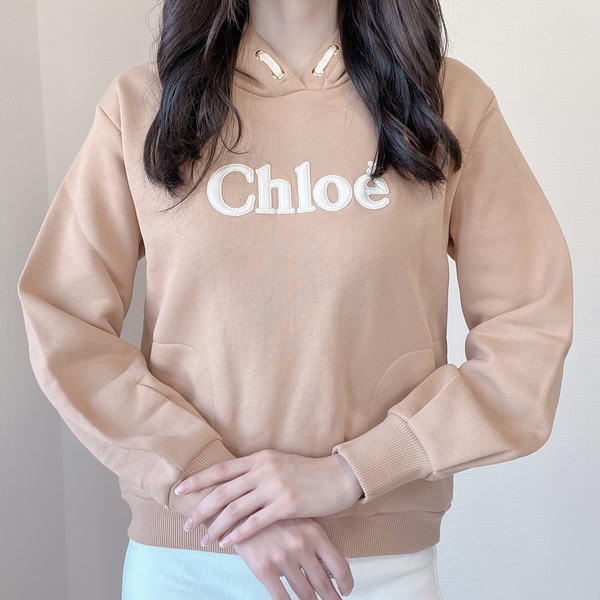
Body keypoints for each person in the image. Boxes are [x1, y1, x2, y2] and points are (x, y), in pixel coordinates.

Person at [17, 0, 574, 598]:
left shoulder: (448, 100)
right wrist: (217, 491)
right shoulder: (142, 104)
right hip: (187, 562)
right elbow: (64, 319)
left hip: (377, 569)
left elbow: (529, 329)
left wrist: (355, 470)